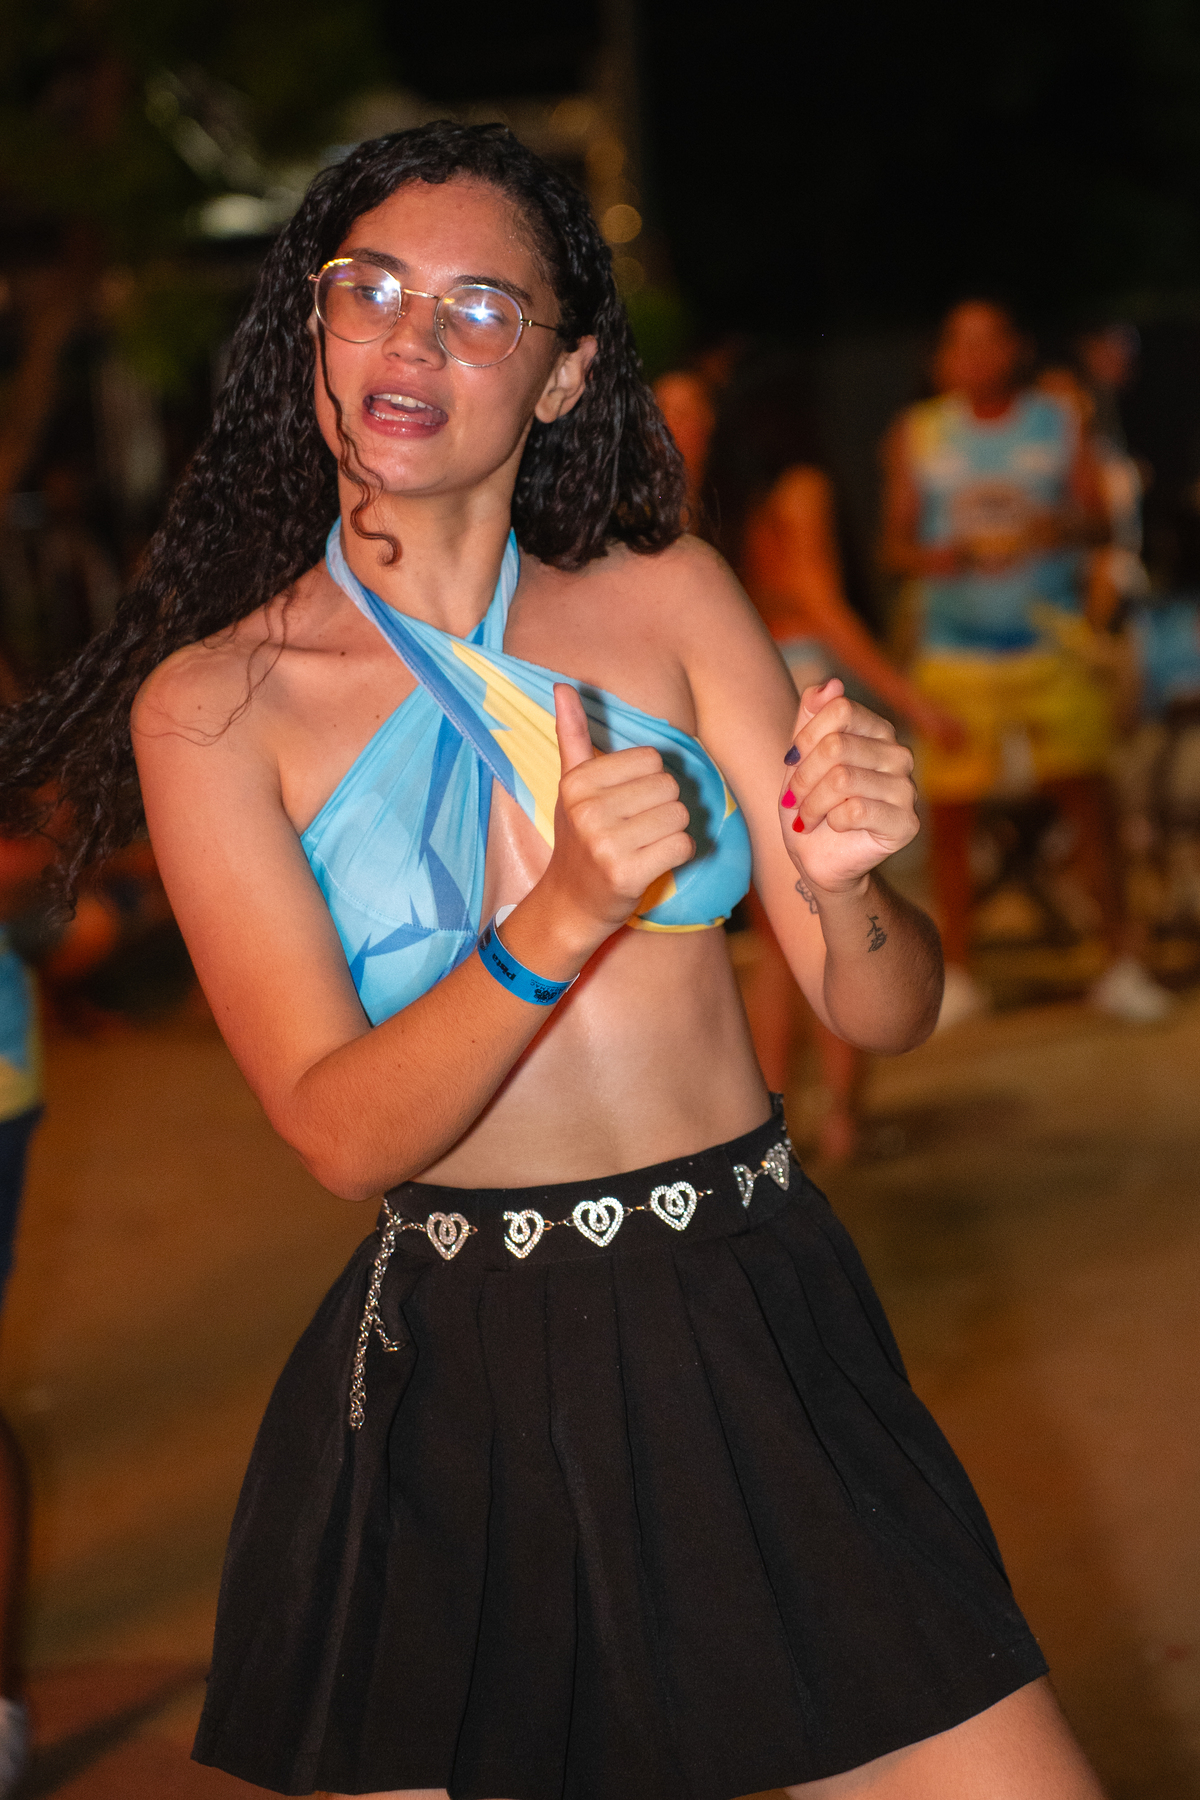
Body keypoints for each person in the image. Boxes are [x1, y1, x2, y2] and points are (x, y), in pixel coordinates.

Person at [1, 125, 1102, 1800]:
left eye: (477, 309)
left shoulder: (669, 599)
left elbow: (880, 1006)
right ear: (313, 327)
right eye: (370, 289)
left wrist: (851, 888)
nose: (410, 339)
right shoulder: (216, 706)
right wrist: (561, 917)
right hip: (465, 1376)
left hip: (754, 1305)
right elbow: (339, 1135)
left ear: (566, 372)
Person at [881, 297, 1172, 1027]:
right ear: (942, 358)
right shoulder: (920, 432)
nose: (975, 355)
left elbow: (1102, 520)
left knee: (1089, 802)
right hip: (955, 653)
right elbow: (895, 544)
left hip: (1047, 641)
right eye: (960, 342)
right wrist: (937, 557)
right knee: (951, 820)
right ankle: (959, 972)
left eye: (990, 340)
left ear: (1016, 347)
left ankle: (1120, 962)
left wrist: (1058, 526)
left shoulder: (1057, 418)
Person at [704, 362, 964, 1158]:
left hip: (737, 698)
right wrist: (911, 699)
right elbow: (822, 603)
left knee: (778, 945)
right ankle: (845, 1116)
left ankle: (768, 1128)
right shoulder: (803, 486)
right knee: (837, 917)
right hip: (800, 690)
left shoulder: (727, 497)